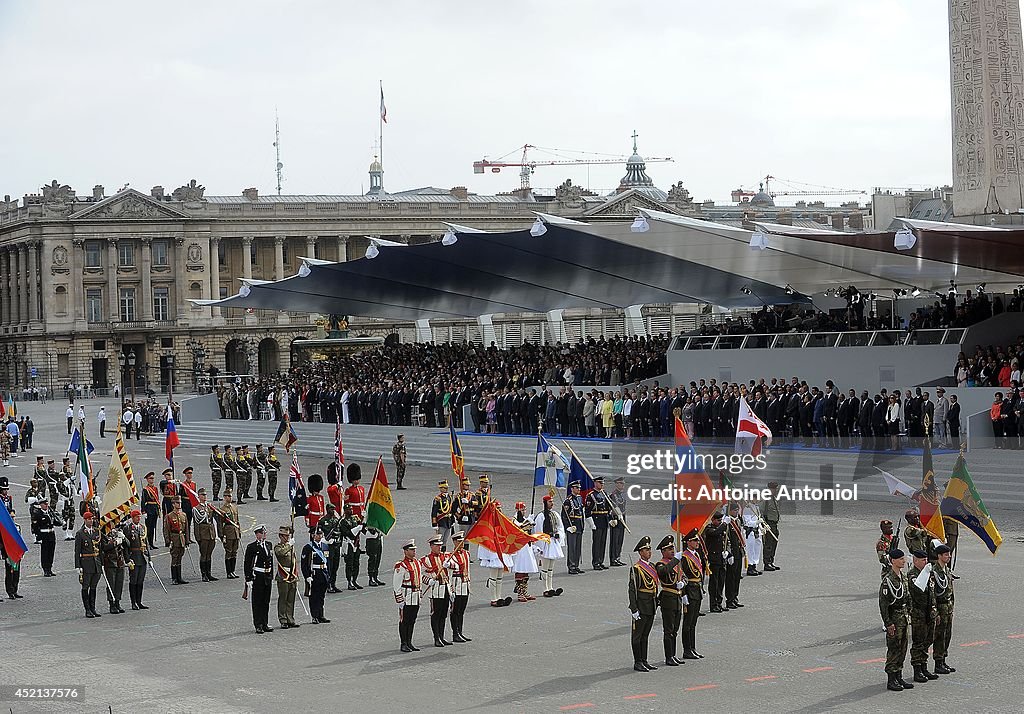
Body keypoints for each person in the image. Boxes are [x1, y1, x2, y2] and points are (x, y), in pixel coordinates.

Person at [879, 548, 914, 692]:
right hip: (894, 619)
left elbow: (908, 596)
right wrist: (888, 623)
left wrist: (910, 613)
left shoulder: (904, 577)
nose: (903, 561)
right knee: (894, 649)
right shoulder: (888, 581)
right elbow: (883, 604)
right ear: (893, 561)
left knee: (903, 648)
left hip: (904, 618)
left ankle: (899, 675)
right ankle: (891, 679)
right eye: (900, 559)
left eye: (903, 558)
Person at [628, 535, 659, 672]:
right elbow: (632, 590)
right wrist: (634, 608)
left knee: (646, 634)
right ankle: (637, 661)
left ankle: (644, 660)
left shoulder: (652, 566)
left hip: (651, 605)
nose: (649, 552)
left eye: (650, 549)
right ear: (640, 552)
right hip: (641, 605)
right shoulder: (636, 568)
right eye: (646, 550)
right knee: (638, 635)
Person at [907, 550, 939, 683]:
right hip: (918, 613)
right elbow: (920, 593)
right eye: (922, 560)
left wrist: (935, 611)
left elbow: (933, 593)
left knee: (928, 640)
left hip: (928, 613)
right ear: (915, 561)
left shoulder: (928, 573)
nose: (925, 562)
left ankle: (924, 667)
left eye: (926, 560)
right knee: (918, 642)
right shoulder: (913, 575)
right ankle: (917, 669)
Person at [654, 535, 685, 667]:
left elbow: (684, 576)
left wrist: (683, 583)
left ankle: (673, 654)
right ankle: (668, 656)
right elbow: (663, 572)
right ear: (663, 551)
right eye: (669, 549)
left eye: (673, 548)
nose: (672, 551)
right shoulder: (661, 564)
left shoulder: (675, 563)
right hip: (668, 599)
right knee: (669, 630)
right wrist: (675, 560)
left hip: (677, 598)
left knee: (675, 630)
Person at [479, 501, 514, 607]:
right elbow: (485, 539)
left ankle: (499, 597)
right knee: (493, 576)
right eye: (497, 508)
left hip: (502, 551)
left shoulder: (503, 522)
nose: (499, 510)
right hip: (493, 552)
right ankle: (493, 598)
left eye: (500, 508)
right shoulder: (488, 523)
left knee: (500, 576)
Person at [421, 534, 453, 646]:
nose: (439, 547)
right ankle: (436, 638)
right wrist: (428, 581)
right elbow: (419, 575)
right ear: (431, 546)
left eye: (440, 545)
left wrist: (449, 564)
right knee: (436, 614)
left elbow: (456, 566)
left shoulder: (445, 557)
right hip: (435, 589)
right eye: (437, 545)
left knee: (443, 614)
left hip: (445, 588)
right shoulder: (426, 559)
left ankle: (442, 636)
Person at [532, 494, 565, 598]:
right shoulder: (541, 516)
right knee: (545, 568)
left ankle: (550, 587)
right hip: (546, 543)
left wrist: (559, 535)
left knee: (551, 567)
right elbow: (538, 531)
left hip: (553, 542)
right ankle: (545, 588)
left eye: (552, 501)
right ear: (545, 503)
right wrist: (540, 547)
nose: (552, 503)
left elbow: (560, 527)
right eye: (550, 502)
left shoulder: (555, 514)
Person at [244, 524, 275, 633]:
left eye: (264, 532)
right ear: (257, 534)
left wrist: (271, 575)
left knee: (266, 601)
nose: (264, 534)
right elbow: (247, 564)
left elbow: (271, 562)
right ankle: (258, 624)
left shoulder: (269, 545)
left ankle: (265, 622)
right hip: (258, 576)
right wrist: (248, 579)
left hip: (267, 576)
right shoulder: (252, 547)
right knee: (257, 601)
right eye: (262, 533)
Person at [679, 529, 705, 659]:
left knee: (693, 622)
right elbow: (682, 576)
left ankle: (692, 647)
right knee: (688, 622)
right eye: (695, 540)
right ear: (688, 542)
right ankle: (686, 649)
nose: (697, 542)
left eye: (697, 540)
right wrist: (683, 594)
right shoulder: (684, 557)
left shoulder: (697, 554)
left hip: (697, 589)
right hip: (689, 590)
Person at [931, 543, 956, 675]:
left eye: (949, 554)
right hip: (940, 608)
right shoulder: (934, 572)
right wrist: (935, 613)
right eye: (946, 555)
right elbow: (932, 594)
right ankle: (938, 662)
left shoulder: (946, 570)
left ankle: (943, 660)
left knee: (947, 635)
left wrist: (952, 605)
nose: (949, 556)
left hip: (948, 607)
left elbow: (951, 591)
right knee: (939, 636)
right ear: (939, 556)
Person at [394, 538, 423, 652]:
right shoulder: (400, 566)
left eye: (414, 549)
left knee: (412, 620)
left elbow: (419, 578)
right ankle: (403, 643)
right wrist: (400, 600)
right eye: (411, 550)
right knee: (404, 620)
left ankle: (409, 642)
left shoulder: (417, 563)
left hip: (415, 596)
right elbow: (397, 585)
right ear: (405, 551)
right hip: (407, 596)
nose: (414, 552)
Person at [74, 511, 103, 618]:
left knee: (94, 586)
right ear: (85, 520)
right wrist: (78, 566)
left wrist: (102, 563)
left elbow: (100, 549)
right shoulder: (80, 533)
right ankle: (87, 609)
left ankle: (93, 608)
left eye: (92, 519)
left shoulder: (96, 532)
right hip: (86, 563)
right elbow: (77, 551)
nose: (91, 521)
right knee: (86, 586)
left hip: (96, 563)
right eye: (89, 519)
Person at [301, 527, 331, 624]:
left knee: (321, 596)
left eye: (321, 534)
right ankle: (314, 616)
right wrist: (307, 576)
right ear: (313, 535)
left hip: (323, 573)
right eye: (317, 534)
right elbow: (304, 564)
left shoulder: (325, 546)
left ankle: (321, 615)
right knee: (314, 596)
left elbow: (328, 561)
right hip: (315, 574)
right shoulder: (308, 547)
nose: (320, 536)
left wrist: (328, 574)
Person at [446, 531, 472, 642]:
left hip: (465, 584)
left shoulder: (466, 554)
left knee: (461, 610)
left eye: (462, 541)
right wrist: (450, 590)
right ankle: (455, 633)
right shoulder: (450, 555)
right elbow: (451, 571)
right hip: (456, 585)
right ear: (454, 542)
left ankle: (460, 632)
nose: (462, 543)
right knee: (455, 610)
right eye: (459, 541)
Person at [274, 525, 301, 629]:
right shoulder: (278, 547)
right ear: (280, 536)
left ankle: (290, 618)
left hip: (292, 575)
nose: (287, 538)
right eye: (285, 536)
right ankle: (283, 619)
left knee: (291, 598)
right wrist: (289, 544)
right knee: (283, 598)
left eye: (288, 536)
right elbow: (280, 553)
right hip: (283, 575)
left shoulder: (290, 546)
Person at [122, 508, 149, 610]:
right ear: (132, 518)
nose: (138, 518)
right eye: (137, 517)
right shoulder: (128, 528)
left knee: (140, 581)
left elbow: (145, 543)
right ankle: (133, 602)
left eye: (139, 517)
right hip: (133, 556)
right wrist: (127, 559)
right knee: (133, 581)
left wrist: (149, 557)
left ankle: (139, 601)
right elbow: (126, 546)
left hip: (142, 557)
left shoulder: (142, 528)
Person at [512, 502, 538, 602]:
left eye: (524, 510)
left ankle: (524, 591)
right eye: (522, 510)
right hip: (519, 548)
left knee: (526, 569)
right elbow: (519, 529)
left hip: (526, 547)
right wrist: (528, 523)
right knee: (520, 570)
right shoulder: (514, 520)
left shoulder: (523, 519)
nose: (524, 512)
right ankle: (519, 593)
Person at [702, 511, 727, 612]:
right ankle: (713, 604)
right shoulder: (709, 529)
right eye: (718, 520)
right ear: (712, 520)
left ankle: (719, 603)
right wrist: (725, 524)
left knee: (721, 582)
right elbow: (715, 533)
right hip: (714, 560)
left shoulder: (721, 528)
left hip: (721, 559)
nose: (720, 522)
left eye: (721, 520)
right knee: (714, 583)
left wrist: (727, 553)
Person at [100, 522, 128, 614]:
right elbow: (104, 547)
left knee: (119, 583)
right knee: (111, 584)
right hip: (110, 562)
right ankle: (111, 604)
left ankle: (117, 602)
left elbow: (128, 544)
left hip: (120, 561)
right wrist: (115, 542)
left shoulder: (117, 532)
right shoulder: (103, 534)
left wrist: (123, 538)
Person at [585, 476, 611, 570]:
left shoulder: (604, 494)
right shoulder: (591, 495)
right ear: (595, 483)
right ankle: (596, 562)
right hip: (596, 521)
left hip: (604, 520)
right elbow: (587, 511)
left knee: (603, 542)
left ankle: (601, 561)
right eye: (600, 483)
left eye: (602, 483)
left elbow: (609, 508)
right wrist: (591, 524)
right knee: (597, 543)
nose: (602, 484)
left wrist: (611, 518)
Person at [193, 488, 219, 582]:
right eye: (202, 495)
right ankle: (203, 574)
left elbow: (214, 519)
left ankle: (209, 573)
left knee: (209, 554)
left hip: (211, 533)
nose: (204, 497)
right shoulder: (196, 509)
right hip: (203, 534)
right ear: (199, 496)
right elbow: (196, 524)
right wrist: (198, 537)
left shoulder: (209, 507)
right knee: (204, 554)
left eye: (205, 495)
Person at [163, 497, 191, 585]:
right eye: (177, 503)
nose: (179, 504)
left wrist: (187, 540)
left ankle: (179, 577)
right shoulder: (169, 516)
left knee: (180, 557)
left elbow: (186, 529)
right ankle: (174, 578)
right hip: (174, 538)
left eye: (180, 502)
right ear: (173, 504)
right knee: (174, 558)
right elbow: (166, 530)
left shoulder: (183, 515)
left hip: (181, 538)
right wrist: (167, 541)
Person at [215, 489, 241, 579]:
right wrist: (221, 535)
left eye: (231, 496)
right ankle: (228, 572)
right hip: (228, 531)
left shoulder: (234, 507)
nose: (230, 498)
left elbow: (237, 521)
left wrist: (239, 531)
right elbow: (220, 523)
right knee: (229, 552)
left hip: (235, 532)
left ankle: (233, 571)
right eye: (228, 496)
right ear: (225, 497)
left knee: (234, 552)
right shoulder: (222, 509)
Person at [724, 503, 746, 609]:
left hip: (738, 552)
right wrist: (729, 553)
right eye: (734, 510)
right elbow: (726, 540)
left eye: (737, 510)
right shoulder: (727, 523)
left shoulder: (737, 521)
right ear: (729, 511)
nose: (736, 512)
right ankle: (729, 599)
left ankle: (735, 597)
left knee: (737, 577)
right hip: (732, 553)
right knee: (730, 578)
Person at [561, 480, 585, 575]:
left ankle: (576, 565)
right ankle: (571, 566)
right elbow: (564, 515)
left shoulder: (579, 498)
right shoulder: (568, 500)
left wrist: (582, 525)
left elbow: (581, 513)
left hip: (579, 526)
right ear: (572, 489)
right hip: (572, 526)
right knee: (572, 547)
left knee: (578, 547)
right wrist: (567, 527)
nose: (578, 489)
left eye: (579, 488)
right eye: (576, 488)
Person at [339, 503, 364, 590]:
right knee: (349, 564)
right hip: (349, 544)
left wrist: (364, 521)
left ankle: (354, 580)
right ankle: (349, 581)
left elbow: (363, 529)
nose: (351, 510)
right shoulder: (343, 522)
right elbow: (348, 533)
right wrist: (358, 528)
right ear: (345, 511)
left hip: (356, 543)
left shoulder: (355, 518)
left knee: (356, 563)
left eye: (351, 509)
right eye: (349, 509)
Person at [318, 504, 343, 593]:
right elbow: (319, 534)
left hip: (336, 546)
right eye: (332, 509)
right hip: (327, 547)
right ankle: (328, 585)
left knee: (335, 566)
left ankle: (333, 584)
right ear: (327, 509)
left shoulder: (336, 520)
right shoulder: (322, 521)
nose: (333, 511)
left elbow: (340, 532)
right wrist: (326, 540)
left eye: (334, 509)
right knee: (329, 566)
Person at [32, 499, 58, 577]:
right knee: (45, 553)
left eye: (47, 504)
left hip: (51, 535)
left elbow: (55, 522)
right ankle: (45, 570)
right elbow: (35, 526)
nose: (46, 505)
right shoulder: (38, 514)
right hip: (44, 536)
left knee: (51, 553)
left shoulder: (50, 513)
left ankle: (50, 568)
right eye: (44, 504)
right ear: (41, 505)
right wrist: (38, 536)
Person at [607, 476, 628, 567]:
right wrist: (612, 518)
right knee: (615, 539)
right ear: (616, 484)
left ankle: (618, 557)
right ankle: (613, 559)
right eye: (621, 483)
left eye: (623, 483)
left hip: (622, 517)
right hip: (615, 518)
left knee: (620, 539)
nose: (622, 485)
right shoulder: (613, 495)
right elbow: (611, 508)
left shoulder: (622, 494)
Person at [761, 482, 781, 571]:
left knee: (774, 543)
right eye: (775, 489)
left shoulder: (773, 498)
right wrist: (764, 524)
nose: (776, 490)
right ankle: (767, 563)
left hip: (774, 524)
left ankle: (771, 561)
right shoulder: (766, 498)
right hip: (768, 524)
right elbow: (760, 511)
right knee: (768, 544)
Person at [430, 480, 455, 550]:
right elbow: (434, 512)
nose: (446, 489)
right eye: (444, 488)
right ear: (440, 489)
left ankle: (443, 554)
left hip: (448, 521)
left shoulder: (449, 497)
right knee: (440, 540)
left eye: (446, 487)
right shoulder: (438, 499)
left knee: (445, 540)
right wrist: (434, 524)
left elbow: (451, 510)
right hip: (441, 521)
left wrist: (453, 520)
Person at [741, 500, 763, 576]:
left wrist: (761, 527)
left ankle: (754, 566)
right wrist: (756, 523)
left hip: (757, 531)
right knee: (750, 550)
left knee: (757, 549)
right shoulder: (747, 508)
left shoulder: (756, 507)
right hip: (750, 532)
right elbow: (747, 522)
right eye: (755, 497)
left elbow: (758, 519)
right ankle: (750, 568)